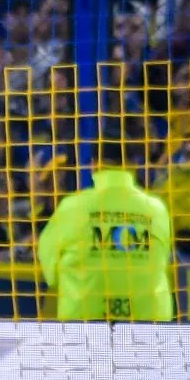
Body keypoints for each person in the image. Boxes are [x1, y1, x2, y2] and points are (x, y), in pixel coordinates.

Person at [37, 132, 174, 322]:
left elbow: (49, 261)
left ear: (93, 164)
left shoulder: (73, 206)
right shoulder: (156, 209)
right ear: (133, 163)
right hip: (149, 317)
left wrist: (74, 281)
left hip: (84, 315)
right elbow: (162, 257)